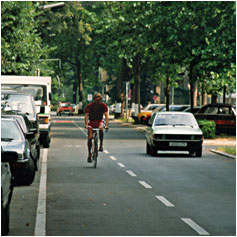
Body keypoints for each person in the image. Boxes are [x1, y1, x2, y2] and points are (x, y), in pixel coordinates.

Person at [85, 92, 109, 163]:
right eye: (96, 100)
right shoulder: (89, 106)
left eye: (99, 100)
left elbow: (106, 116)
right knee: (89, 138)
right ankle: (89, 154)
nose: (97, 101)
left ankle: (101, 144)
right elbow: (86, 116)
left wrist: (106, 125)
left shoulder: (103, 106)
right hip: (91, 122)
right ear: (94, 99)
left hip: (99, 121)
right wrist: (86, 124)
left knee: (101, 128)